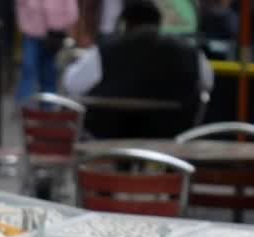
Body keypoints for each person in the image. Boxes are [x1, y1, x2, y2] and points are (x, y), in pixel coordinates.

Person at [62, 0, 212, 136]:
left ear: (125, 24)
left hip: (111, 136)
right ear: (159, 23)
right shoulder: (190, 53)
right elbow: (207, 83)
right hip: (171, 135)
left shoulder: (105, 52)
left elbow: (72, 84)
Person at [16, 0, 80, 100]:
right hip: (32, 33)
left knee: (49, 75)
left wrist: (59, 25)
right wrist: (25, 23)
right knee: (29, 71)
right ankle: (23, 108)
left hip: (54, 35)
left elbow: (72, 11)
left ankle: (48, 110)